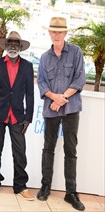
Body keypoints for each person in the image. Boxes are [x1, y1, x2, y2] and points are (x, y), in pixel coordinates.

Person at [37, 17, 86, 211]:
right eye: (53, 31)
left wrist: (61, 98)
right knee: (48, 148)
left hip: (71, 108)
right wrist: (53, 98)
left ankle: (71, 193)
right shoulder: (44, 57)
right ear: (49, 33)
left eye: (59, 32)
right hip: (51, 109)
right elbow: (41, 82)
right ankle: (45, 186)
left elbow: (80, 78)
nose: (56, 35)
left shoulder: (76, 52)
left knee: (70, 150)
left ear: (65, 33)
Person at [0, 31, 35, 201]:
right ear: (5, 46)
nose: (13, 46)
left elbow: (30, 94)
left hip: (18, 116)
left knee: (20, 152)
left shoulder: (27, 66)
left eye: (16, 43)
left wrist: (28, 117)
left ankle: (20, 185)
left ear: (20, 47)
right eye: (10, 43)